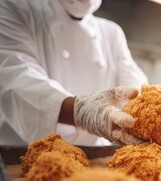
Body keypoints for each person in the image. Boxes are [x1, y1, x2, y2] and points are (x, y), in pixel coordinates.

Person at [0, 0, 148, 146]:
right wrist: (82, 112)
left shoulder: (111, 32)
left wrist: (144, 107)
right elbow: (16, 78)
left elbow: (133, 79)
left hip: (92, 156)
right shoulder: (13, 8)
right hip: (22, 151)